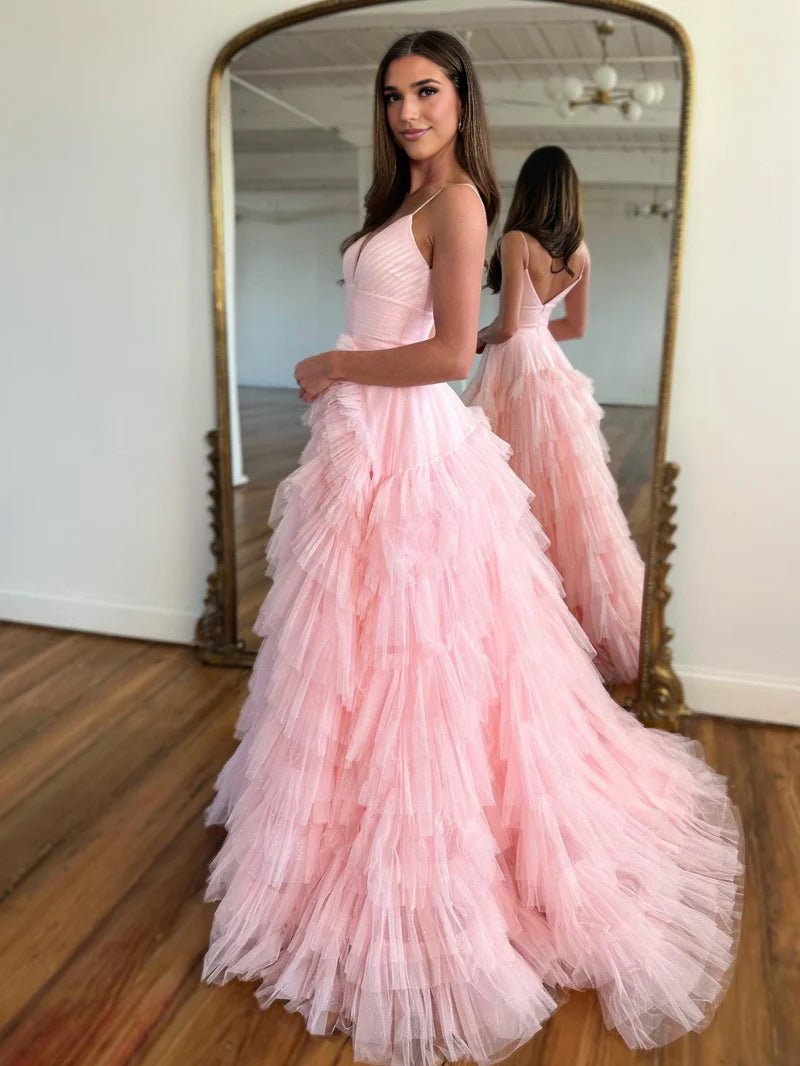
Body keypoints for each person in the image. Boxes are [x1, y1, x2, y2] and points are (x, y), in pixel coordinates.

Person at [202, 32, 742, 1066]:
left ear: (461, 102)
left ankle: (426, 856)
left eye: (427, 92)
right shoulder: (398, 201)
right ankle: (333, 827)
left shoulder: (456, 204)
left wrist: (330, 363)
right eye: (393, 95)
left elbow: (454, 353)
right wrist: (342, 373)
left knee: (420, 649)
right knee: (348, 645)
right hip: (361, 441)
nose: (408, 112)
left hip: (407, 442)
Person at [463, 146, 645, 683]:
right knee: (562, 491)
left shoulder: (516, 241)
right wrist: (534, 334)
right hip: (547, 360)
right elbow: (572, 327)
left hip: (512, 363)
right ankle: (572, 619)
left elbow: (506, 327)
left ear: (529, 188)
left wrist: (472, 341)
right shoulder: (580, 253)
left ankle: (520, 613)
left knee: (507, 480)